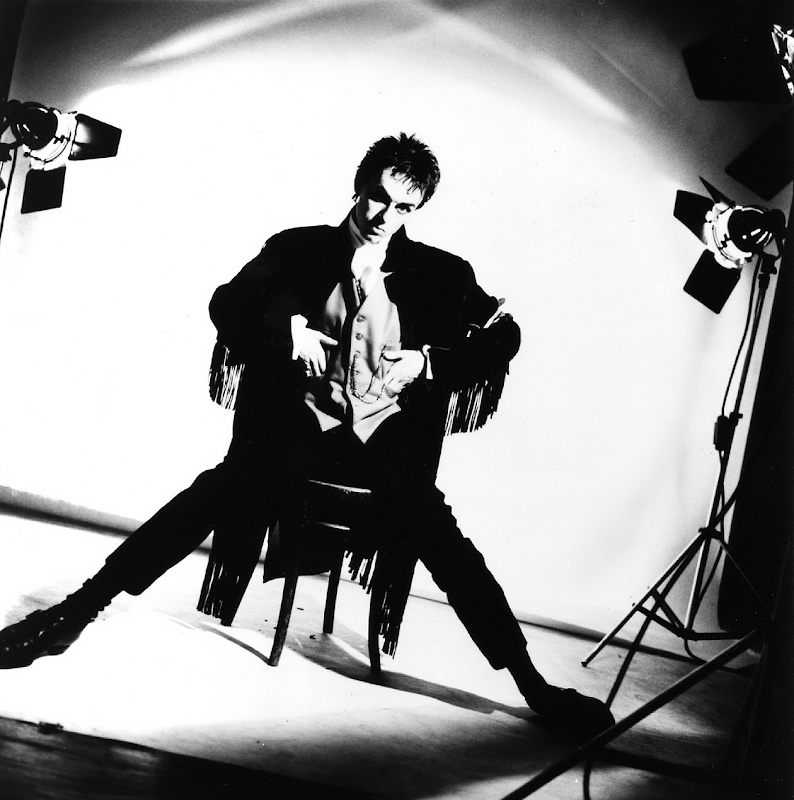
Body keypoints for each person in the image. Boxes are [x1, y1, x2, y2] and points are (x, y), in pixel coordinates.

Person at [0, 133, 614, 743]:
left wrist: (429, 363)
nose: (385, 216)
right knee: (213, 492)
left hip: (384, 445)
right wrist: (285, 328)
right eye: (378, 198)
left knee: (443, 537)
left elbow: (504, 335)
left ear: (418, 209)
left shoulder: (442, 275)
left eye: (404, 207)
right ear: (358, 187)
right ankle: (72, 613)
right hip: (300, 431)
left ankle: (534, 685)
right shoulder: (298, 248)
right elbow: (227, 303)